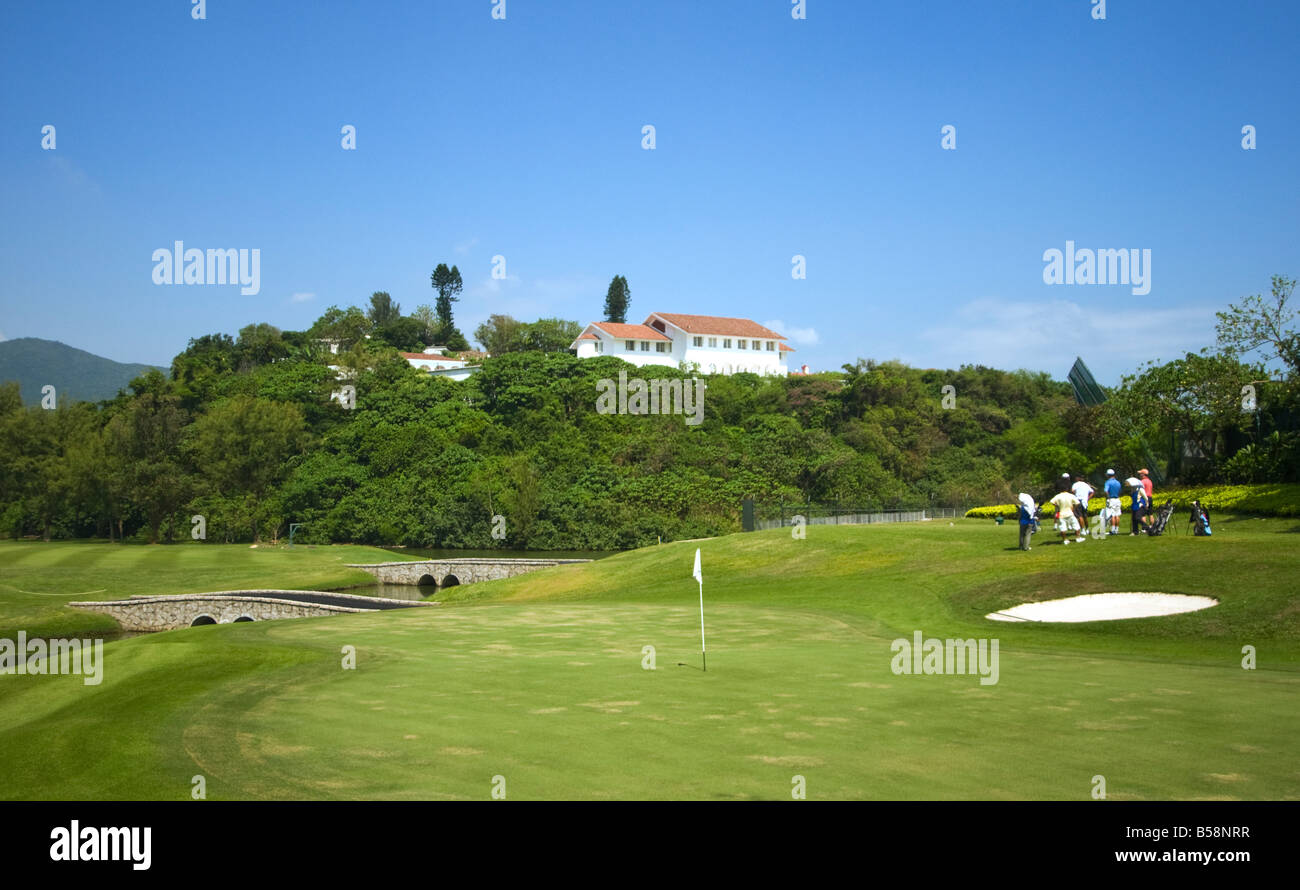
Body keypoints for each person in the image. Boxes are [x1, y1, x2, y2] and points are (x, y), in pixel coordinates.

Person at [1071, 474, 1095, 540]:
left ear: (1077, 478)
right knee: (1085, 516)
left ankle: (1083, 530)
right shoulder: (1086, 484)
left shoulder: (1075, 484)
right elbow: (1092, 492)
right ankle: (1087, 529)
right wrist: (1087, 498)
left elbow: (1073, 491)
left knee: (1079, 516)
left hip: (1078, 501)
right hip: (1085, 501)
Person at [1102, 469, 1122, 536]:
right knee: (1117, 514)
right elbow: (1119, 491)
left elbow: (1106, 491)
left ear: (1108, 475)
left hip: (1111, 499)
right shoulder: (1118, 482)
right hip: (1117, 499)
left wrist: (1108, 497)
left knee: (1112, 515)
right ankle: (1117, 529)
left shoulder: (1108, 482)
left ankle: (1113, 530)